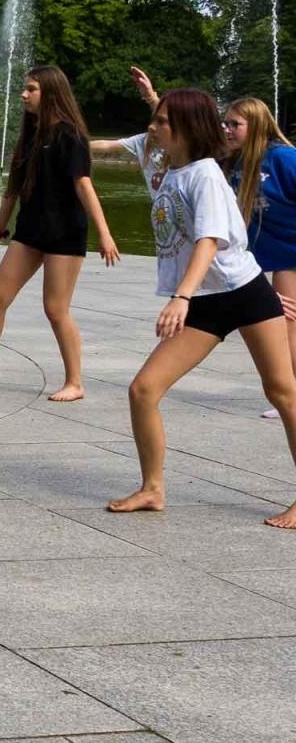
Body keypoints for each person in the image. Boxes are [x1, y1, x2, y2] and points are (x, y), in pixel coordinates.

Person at [105, 89, 296, 528]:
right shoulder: (169, 169)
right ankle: (152, 489)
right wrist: (153, 98)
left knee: (283, 392)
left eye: (162, 122)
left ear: (187, 128)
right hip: (208, 302)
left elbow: (210, 241)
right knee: (144, 389)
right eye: (154, 120)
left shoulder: (206, 175)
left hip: (240, 293)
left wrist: (181, 297)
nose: (153, 128)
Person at [0, 65, 120, 401]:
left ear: (51, 92)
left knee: (55, 309)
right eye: (24, 88)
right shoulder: (30, 136)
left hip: (65, 234)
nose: (23, 94)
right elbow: (13, 190)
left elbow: (84, 185)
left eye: (31, 89)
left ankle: (75, 382)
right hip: (30, 231)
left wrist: (105, 234)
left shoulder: (71, 136)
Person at [221, 97, 296, 422]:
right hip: (266, 256)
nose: (228, 129)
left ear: (258, 125)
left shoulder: (284, 158)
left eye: (235, 124)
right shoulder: (237, 161)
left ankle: (291, 394)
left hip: (290, 253)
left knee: (287, 323)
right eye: (226, 123)